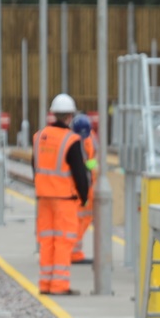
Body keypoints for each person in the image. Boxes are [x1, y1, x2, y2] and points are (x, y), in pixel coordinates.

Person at [31, 94, 91, 295]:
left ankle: (45, 284)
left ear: (53, 113)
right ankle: (59, 285)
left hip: (43, 197)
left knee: (46, 240)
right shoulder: (71, 140)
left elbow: (35, 166)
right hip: (64, 199)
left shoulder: (39, 136)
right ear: (70, 116)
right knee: (64, 241)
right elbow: (79, 172)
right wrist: (84, 196)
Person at [68, 113, 98, 264]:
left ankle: (74, 249)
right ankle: (73, 251)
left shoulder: (89, 137)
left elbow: (93, 158)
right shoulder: (73, 139)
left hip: (88, 182)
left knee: (84, 217)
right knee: (77, 218)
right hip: (80, 185)